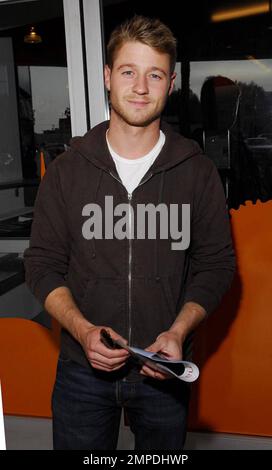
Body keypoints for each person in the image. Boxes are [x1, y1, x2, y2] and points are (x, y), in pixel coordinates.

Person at [24, 15, 235, 450]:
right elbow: (43, 266)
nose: (141, 87)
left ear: (171, 82)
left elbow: (216, 266)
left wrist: (179, 331)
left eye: (154, 74)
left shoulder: (196, 173)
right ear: (107, 76)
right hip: (82, 370)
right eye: (128, 71)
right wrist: (82, 331)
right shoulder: (67, 172)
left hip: (164, 369)